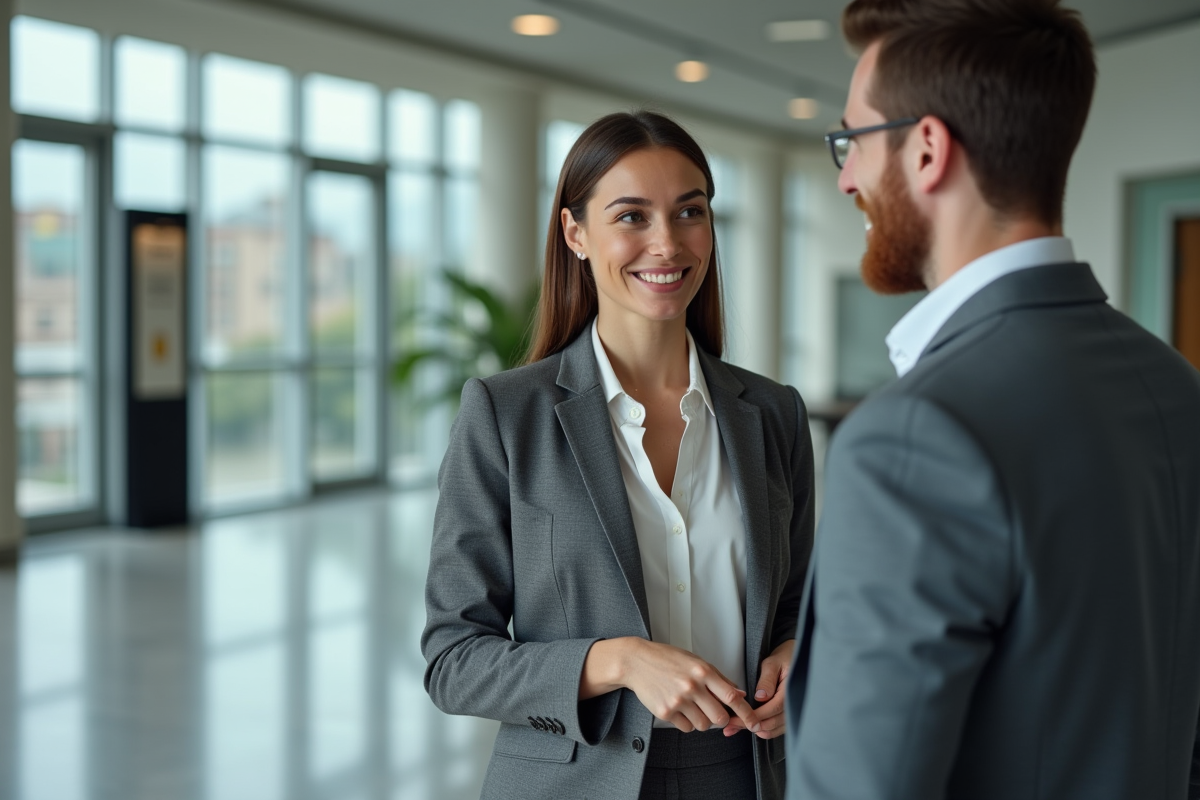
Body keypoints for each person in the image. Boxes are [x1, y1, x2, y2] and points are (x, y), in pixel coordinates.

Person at [783, 1, 1200, 798]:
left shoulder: (915, 435)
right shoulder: (1173, 385)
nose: (845, 177)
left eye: (852, 141)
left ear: (929, 149)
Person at [423, 110, 814, 800]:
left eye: (689, 212)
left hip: (747, 776)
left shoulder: (774, 413)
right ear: (576, 233)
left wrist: (796, 653)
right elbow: (454, 659)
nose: (667, 243)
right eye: (631, 217)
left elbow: (799, 604)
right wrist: (619, 662)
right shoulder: (506, 414)